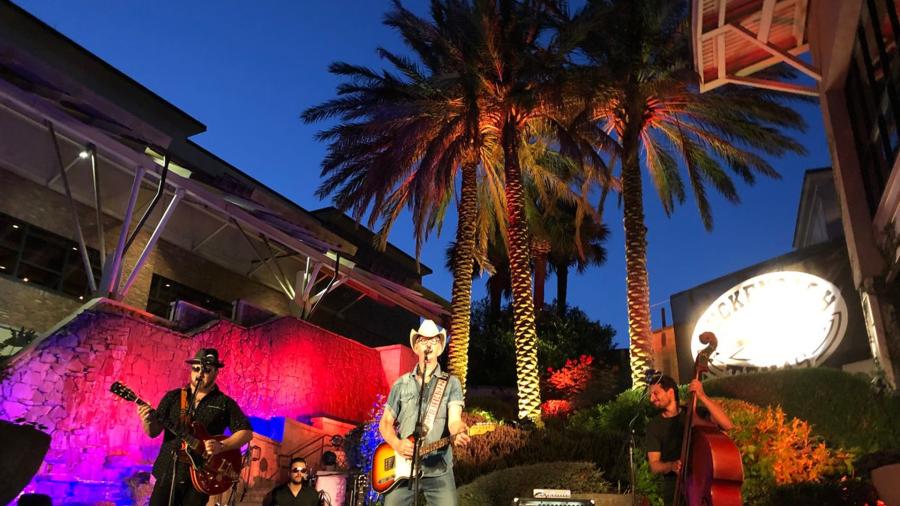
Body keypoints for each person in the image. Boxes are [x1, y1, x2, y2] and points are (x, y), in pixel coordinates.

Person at [137, 348, 253, 506]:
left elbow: (246, 433)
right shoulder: (174, 397)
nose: (200, 373)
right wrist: (147, 420)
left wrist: (221, 446)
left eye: (206, 370)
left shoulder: (225, 403)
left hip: (201, 477)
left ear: (216, 372)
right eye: (196, 368)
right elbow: (153, 432)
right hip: (168, 471)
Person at [378, 319, 470, 506]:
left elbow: (454, 420)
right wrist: (397, 444)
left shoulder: (451, 383)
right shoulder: (401, 384)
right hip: (403, 468)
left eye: (434, 341)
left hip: (439, 469)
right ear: (416, 347)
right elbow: (385, 423)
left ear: (439, 347)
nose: (429, 344)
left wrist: (459, 430)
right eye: (423, 340)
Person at [645, 373, 734, 506]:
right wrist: (671, 466)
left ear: (670, 392)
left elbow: (727, 425)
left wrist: (702, 396)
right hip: (674, 488)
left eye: (655, 393)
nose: (651, 399)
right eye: (650, 395)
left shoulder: (694, 414)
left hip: (702, 482)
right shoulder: (654, 426)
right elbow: (654, 465)